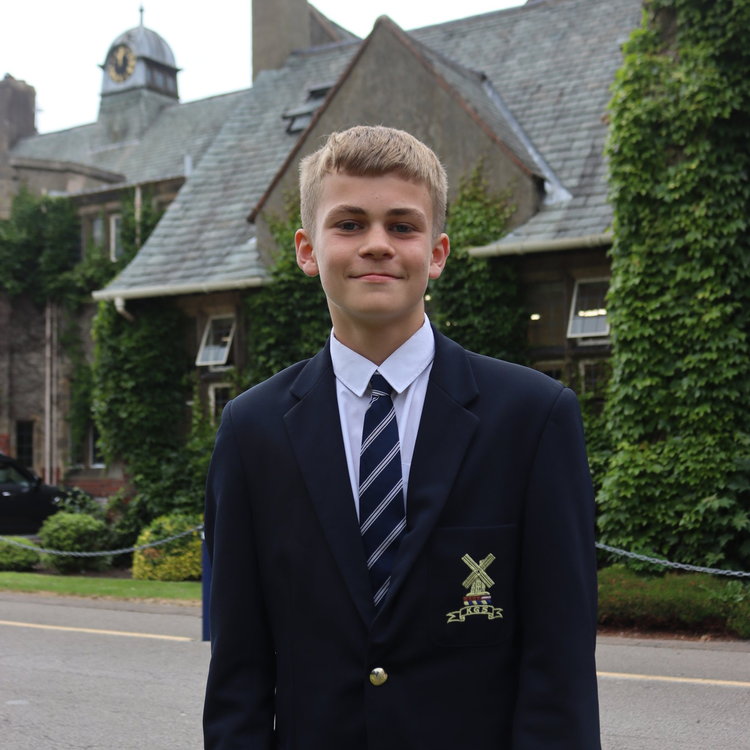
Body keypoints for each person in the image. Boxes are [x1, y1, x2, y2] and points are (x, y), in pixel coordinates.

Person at [203, 125, 601, 749]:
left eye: (403, 226)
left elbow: (560, 662)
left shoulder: (533, 418)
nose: (378, 245)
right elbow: (238, 667)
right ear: (308, 250)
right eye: (351, 224)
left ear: (437, 253)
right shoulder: (252, 431)